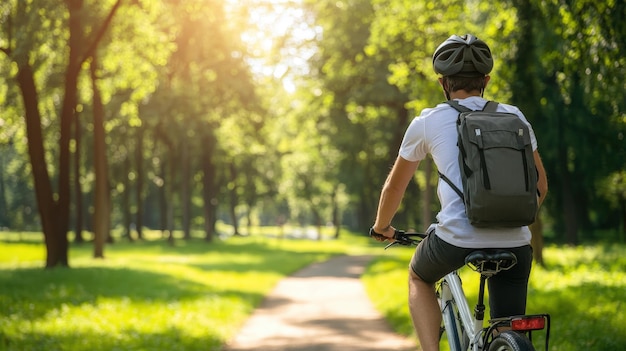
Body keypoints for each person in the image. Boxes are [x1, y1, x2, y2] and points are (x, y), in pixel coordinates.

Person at [369, 34, 548, 351]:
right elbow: (540, 187)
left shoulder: (428, 121)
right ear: (486, 80)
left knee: (418, 276)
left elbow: (395, 186)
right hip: (517, 243)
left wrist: (383, 227)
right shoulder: (515, 116)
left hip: (455, 240)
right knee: (508, 326)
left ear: (442, 83)